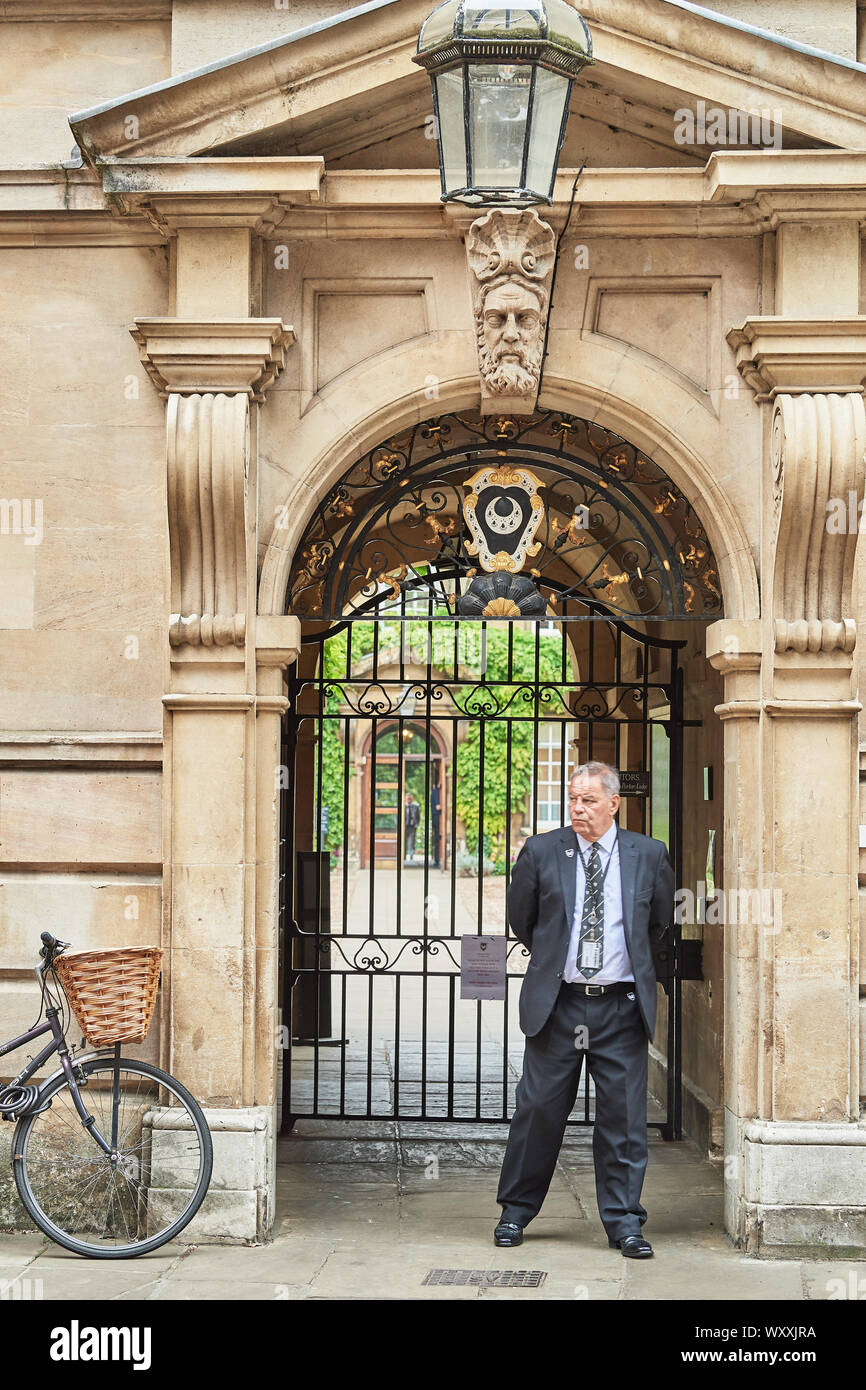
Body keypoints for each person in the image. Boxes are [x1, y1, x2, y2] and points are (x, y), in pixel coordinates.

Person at [493, 760, 674, 1258]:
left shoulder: (649, 855)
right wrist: (559, 963)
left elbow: (657, 924)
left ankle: (624, 1223)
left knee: (624, 1118)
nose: (577, 807)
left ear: (614, 803)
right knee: (538, 1112)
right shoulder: (543, 851)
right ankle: (515, 1211)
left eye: (589, 800)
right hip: (560, 1006)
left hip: (620, 1007)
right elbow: (522, 920)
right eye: (573, 798)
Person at [404, 792, 420, 863]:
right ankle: (403, 856)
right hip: (404, 827)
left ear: (412, 799)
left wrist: (416, 825)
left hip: (412, 827)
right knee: (403, 842)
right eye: (408, 799)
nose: (409, 800)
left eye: (410, 799)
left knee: (412, 842)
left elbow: (418, 817)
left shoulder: (416, 806)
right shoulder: (403, 806)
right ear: (405, 799)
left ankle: (411, 856)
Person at [430, 784, 441, 868]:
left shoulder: (434, 792)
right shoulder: (436, 792)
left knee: (436, 839)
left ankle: (437, 860)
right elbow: (438, 807)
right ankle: (437, 861)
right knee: (437, 839)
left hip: (435, 817)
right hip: (437, 817)